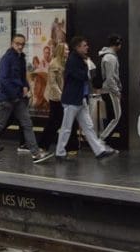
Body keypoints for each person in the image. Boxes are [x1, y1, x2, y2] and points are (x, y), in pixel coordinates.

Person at [34, 36, 117, 164]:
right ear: (78, 47)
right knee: (66, 127)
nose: (87, 47)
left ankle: (99, 151)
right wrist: (89, 67)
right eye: (84, 45)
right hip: (72, 99)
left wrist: (88, 66)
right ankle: (60, 152)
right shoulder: (73, 60)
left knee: (88, 126)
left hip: (79, 98)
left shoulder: (79, 59)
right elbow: (82, 76)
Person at [0, 34, 40, 161]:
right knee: (0, 125)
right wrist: (15, 95)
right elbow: (3, 80)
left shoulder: (21, 58)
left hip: (19, 98)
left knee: (27, 124)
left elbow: (22, 77)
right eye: (17, 43)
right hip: (7, 99)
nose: (20, 46)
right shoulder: (7, 59)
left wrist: (26, 87)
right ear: (12, 43)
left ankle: (35, 153)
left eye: (22, 44)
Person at [38, 41, 77, 154]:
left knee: (70, 121)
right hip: (56, 98)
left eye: (68, 49)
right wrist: (61, 96)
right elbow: (53, 83)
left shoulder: (66, 62)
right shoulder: (54, 64)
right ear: (60, 51)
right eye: (66, 49)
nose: (68, 51)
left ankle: (71, 147)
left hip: (66, 97)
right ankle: (43, 145)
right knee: (54, 122)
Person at [97, 35, 123, 142]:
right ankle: (101, 140)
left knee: (111, 116)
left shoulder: (107, 56)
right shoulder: (110, 58)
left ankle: (103, 141)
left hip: (107, 90)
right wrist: (117, 92)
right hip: (110, 90)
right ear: (117, 44)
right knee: (116, 117)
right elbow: (110, 78)